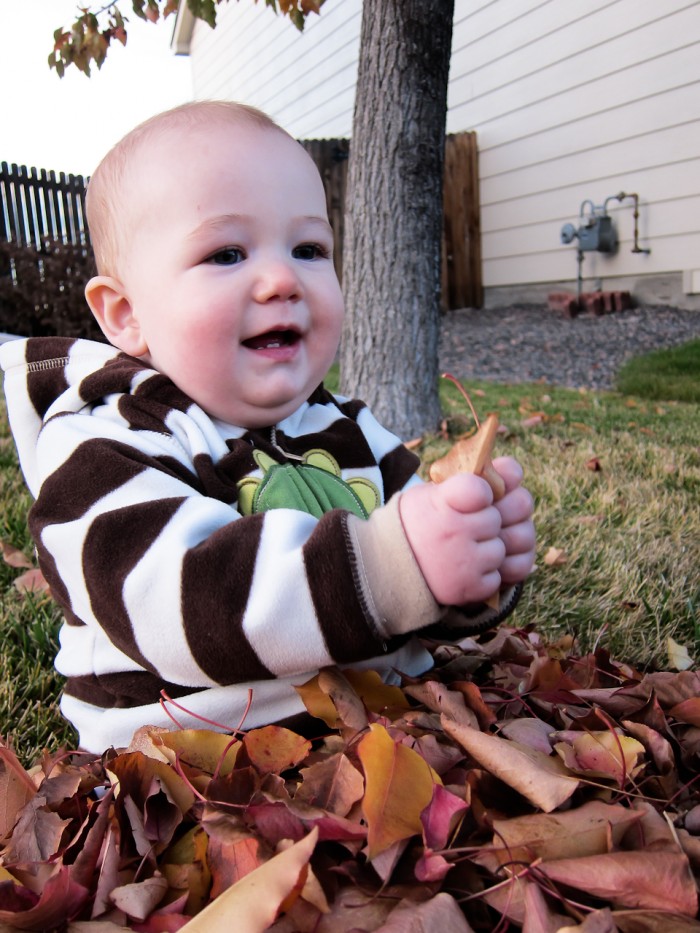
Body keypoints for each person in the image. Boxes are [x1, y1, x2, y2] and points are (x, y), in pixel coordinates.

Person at [0, 101, 536, 753]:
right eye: (227, 252)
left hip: (375, 725)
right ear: (126, 312)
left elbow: (415, 574)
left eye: (309, 248)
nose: (283, 278)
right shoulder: (103, 443)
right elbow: (180, 599)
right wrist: (393, 566)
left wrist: (470, 563)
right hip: (194, 757)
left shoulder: (351, 429)